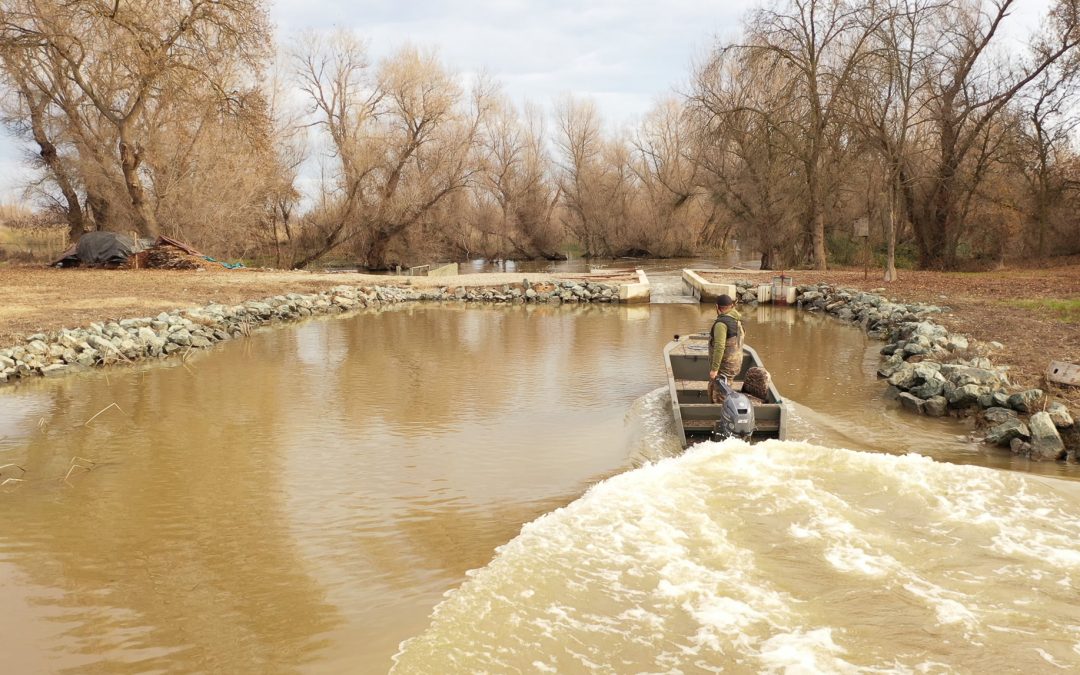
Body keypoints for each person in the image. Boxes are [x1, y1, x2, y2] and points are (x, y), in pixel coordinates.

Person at [707, 293, 744, 405]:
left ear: (717, 307)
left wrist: (714, 369)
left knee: (720, 396)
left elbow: (719, 346)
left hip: (724, 367)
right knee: (718, 388)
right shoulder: (736, 319)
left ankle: (719, 417)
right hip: (734, 363)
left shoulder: (721, 324)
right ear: (731, 306)